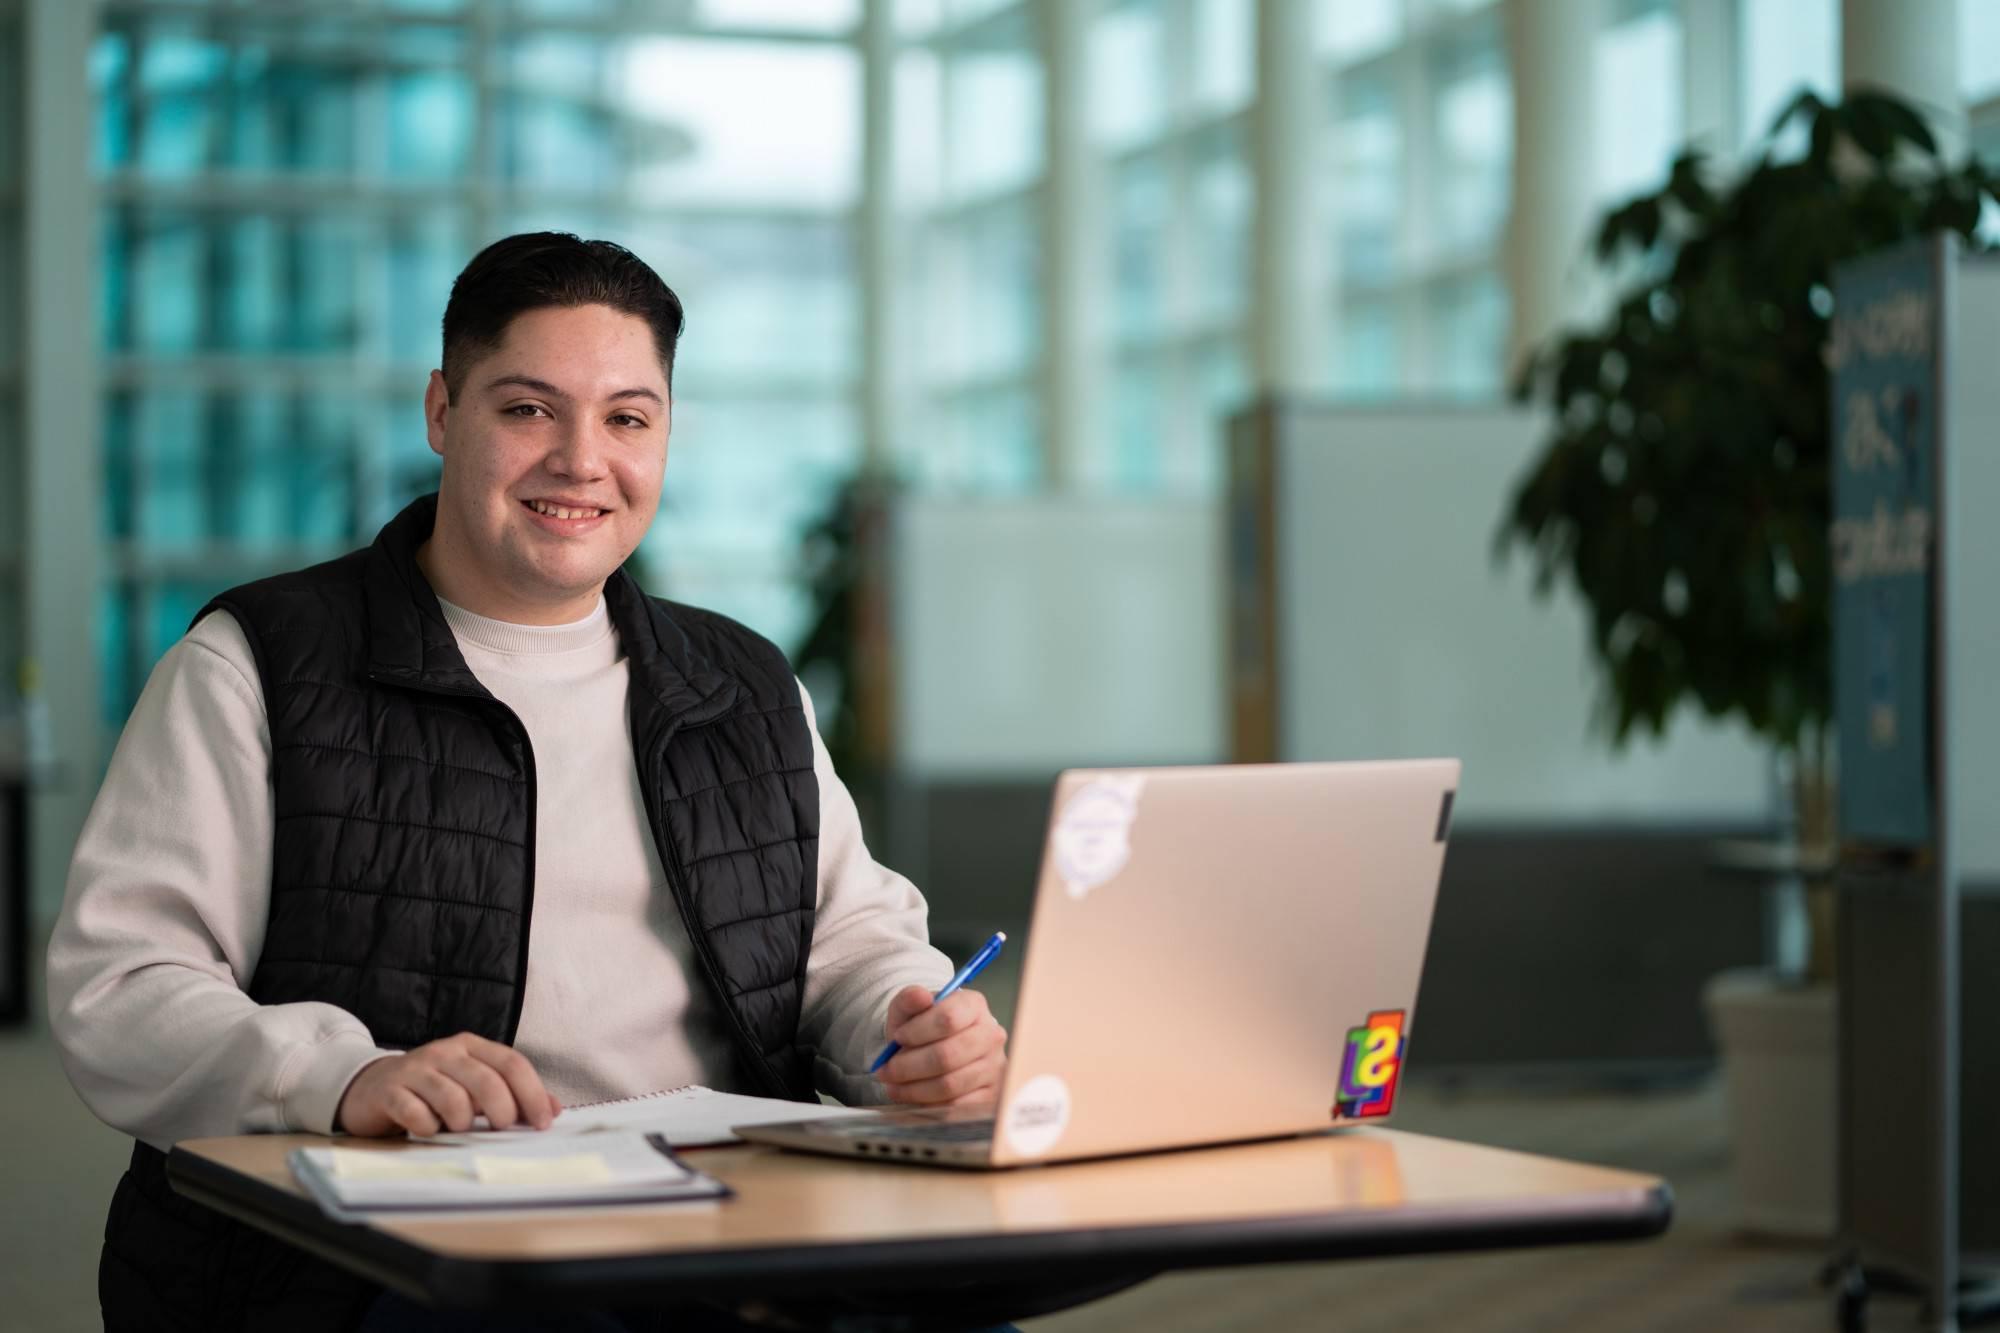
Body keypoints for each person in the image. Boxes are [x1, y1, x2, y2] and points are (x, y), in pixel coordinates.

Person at [48, 233, 1010, 1331]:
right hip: (396, 1256)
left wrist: (906, 1032)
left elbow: (843, 946)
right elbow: (119, 985)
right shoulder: (259, 662)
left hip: (734, 1225)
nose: (579, 460)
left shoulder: (741, 681)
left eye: (626, 418)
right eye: (527, 409)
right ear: (441, 414)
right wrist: (340, 1077)